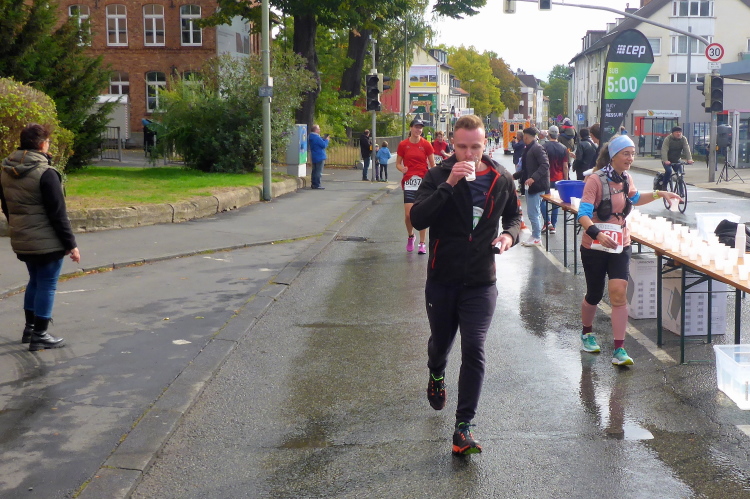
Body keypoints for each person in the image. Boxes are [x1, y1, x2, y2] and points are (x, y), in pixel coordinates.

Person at [410, 114, 522, 456]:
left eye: (475, 147)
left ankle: (463, 428)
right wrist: (449, 184)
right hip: (442, 278)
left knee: (474, 347)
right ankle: (436, 372)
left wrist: (508, 236)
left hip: (481, 281)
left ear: (485, 145)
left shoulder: (501, 178)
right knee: (440, 345)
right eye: (462, 147)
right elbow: (418, 218)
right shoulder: (437, 175)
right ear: (452, 145)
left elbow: (514, 218)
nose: (469, 154)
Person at [577, 135, 681, 366]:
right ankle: (586, 333)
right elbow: (582, 214)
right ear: (613, 155)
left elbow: (635, 197)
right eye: (626, 153)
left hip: (620, 244)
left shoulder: (626, 178)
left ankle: (619, 349)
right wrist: (598, 234)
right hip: (595, 245)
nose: (630, 158)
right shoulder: (595, 180)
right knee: (594, 294)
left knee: (618, 292)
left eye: (632, 154)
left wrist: (660, 193)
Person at [0, 124, 81, 351]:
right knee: (47, 284)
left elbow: (6, 206)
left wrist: (19, 227)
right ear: (43, 144)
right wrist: (71, 245)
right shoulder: (46, 173)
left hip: (22, 238)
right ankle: (40, 335)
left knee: (35, 280)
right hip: (47, 241)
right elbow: (58, 214)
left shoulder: (6, 170)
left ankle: (30, 329)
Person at [396, 118, 435, 254]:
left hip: (423, 182)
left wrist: (433, 179)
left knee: (422, 213)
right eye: (416, 127)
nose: (418, 130)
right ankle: (411, 236)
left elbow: (432, 164)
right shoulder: (403, 144)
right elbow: (398, 163)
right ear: (411, 128)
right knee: (408, 215)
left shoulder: (426, 144)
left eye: (420, 127)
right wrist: (402, 169)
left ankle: (422, 243)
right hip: (409, 181)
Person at [513, 127, 549, 247]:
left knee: (533, 212)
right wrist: (514, 176)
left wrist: (533, 178)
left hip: (536, 185)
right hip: (531, 185)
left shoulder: (537, 148)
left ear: (526, 137)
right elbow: (526, 169)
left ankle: (537, 237)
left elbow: (545, 164)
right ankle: (534, 235)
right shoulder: (529, 148)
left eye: (524, 137)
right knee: (532, 212)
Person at [541, 125, 568, 234]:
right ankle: (553, 226)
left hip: (546, 178)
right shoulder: (563, 148)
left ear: (548, 134)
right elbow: (565, 166)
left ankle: (547, 222)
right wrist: (566, 180)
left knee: (542, 201)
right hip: (559, 179)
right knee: (555, 203)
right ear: (558, 134)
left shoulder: (544, 147)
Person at [660, 126, 694, 190]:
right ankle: (664, 185)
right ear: (673, 133)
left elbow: (686, 149)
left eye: (680, 132)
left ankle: (681, 192)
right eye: (677, 132)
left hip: (676, 160)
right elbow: (664, 150)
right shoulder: (668, 139)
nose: (678, 134)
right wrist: (665, 160)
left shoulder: (683, 139)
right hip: (667, 159)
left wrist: (689, 159)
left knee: (680, 176)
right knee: (669, 171)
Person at [308, 125, 329, 190]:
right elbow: (323, 145)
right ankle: (317, 184)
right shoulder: (316, 137)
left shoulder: (311, 136)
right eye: (319, 129)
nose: (319, 130)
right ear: (316, 130)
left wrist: (323, 139)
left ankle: (313, 183)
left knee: (314, 170)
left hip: (314, 155)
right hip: (319, 156)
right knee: (318, 171)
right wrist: (327, 140)